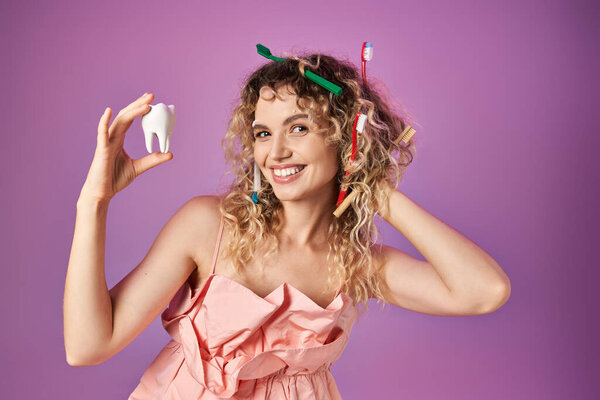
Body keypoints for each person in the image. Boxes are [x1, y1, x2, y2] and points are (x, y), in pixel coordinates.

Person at [63, 50, 511, 399]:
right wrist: (94, 201)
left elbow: (484, 291)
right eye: (262, 133)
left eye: (298, 128)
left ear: (345, 137)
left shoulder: (358, 264)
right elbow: (87, 347)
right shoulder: (207, 226)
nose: (275, 152)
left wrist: (378, 191)